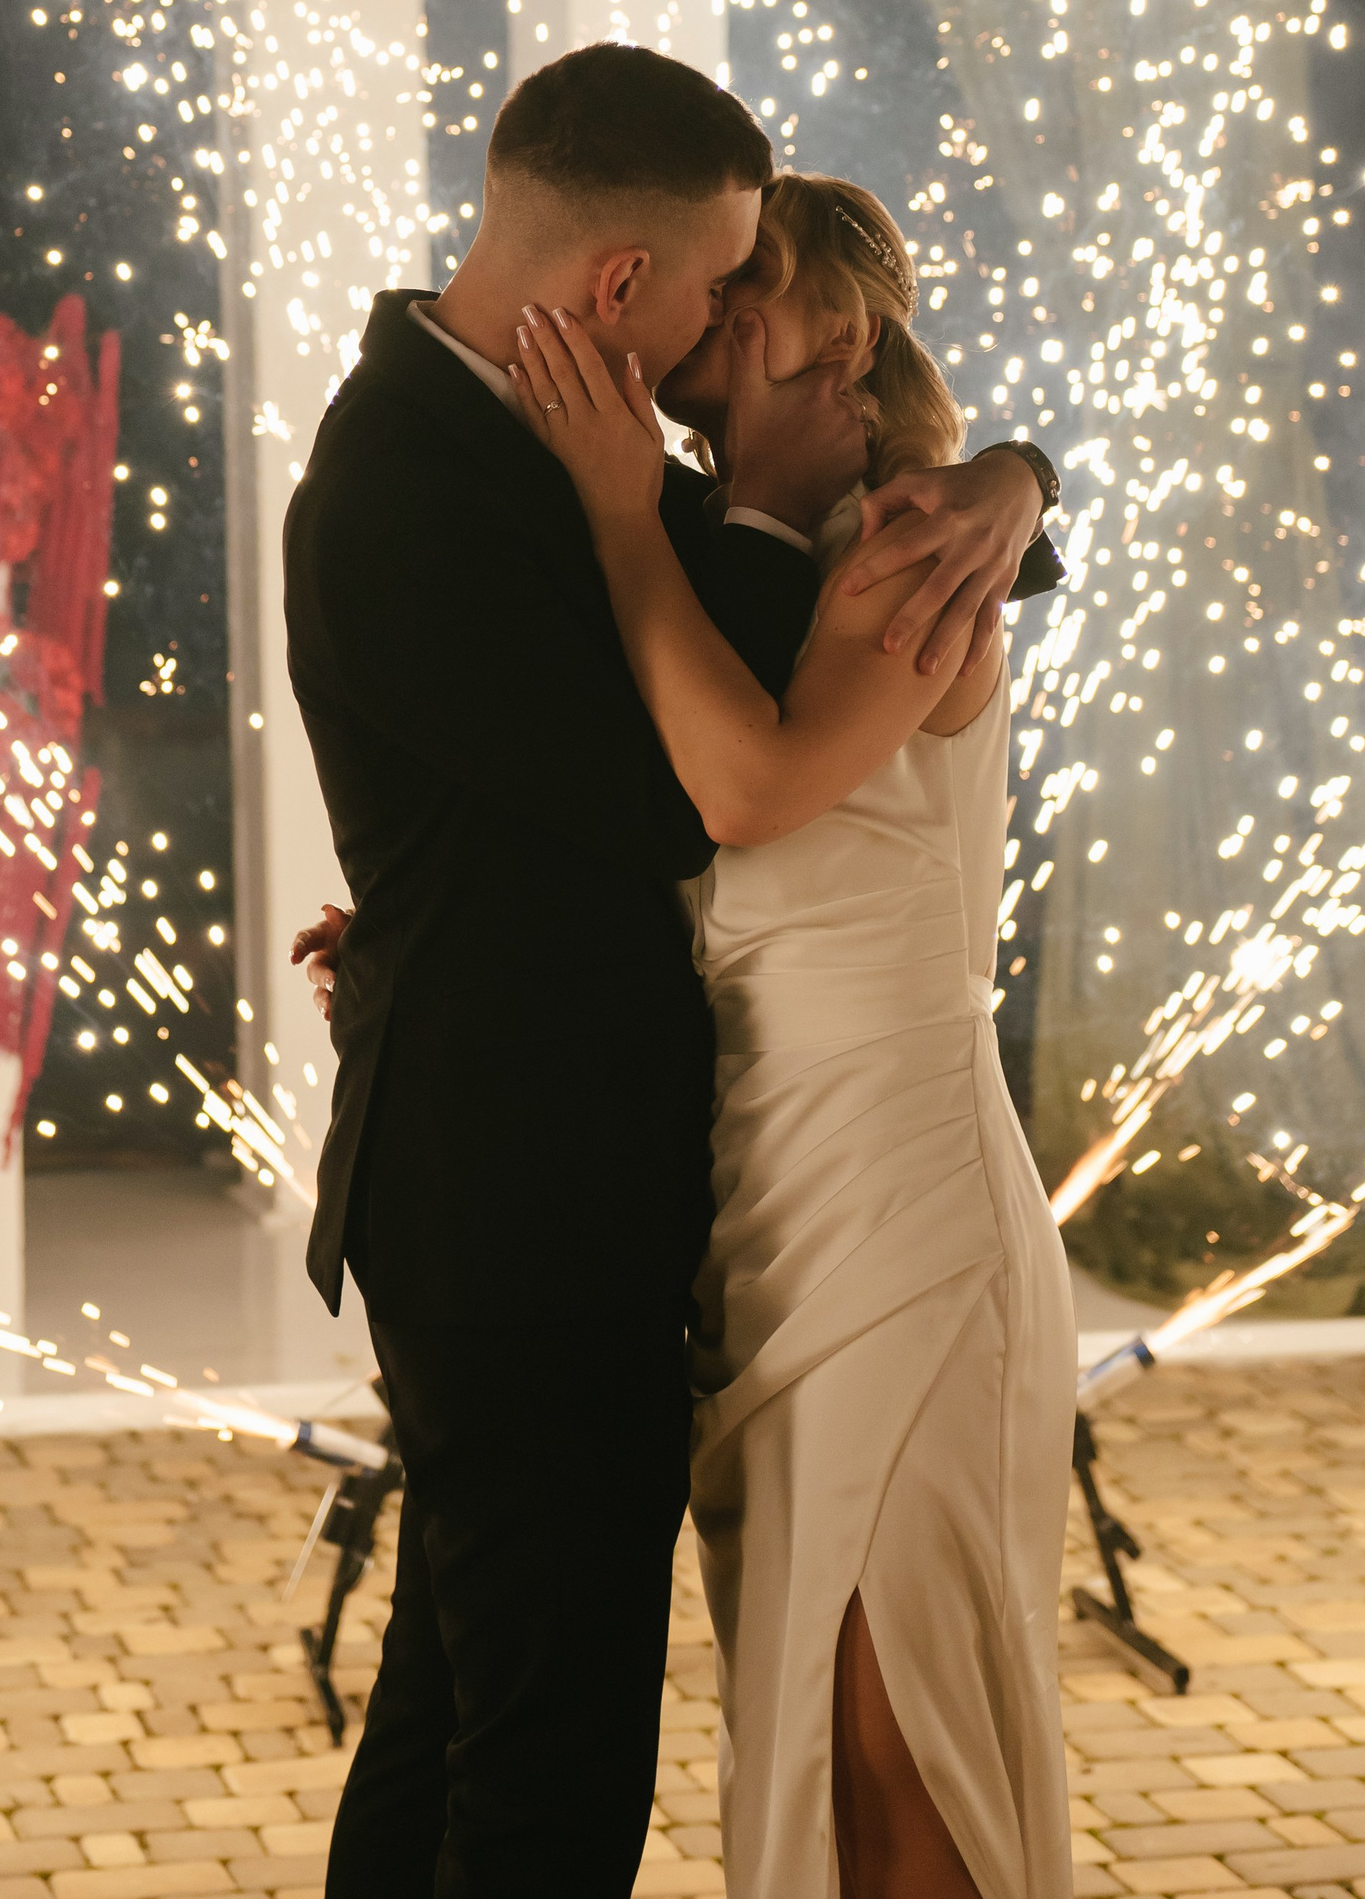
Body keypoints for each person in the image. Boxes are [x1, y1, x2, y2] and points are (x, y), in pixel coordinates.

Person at [283, 46, 1055, 1898]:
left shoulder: (635, 486)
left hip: (807, 1188)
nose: (712, 325)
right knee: (543, 1758)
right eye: (710, 285)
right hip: (527, 1191)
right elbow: (670, 795)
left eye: (743, 296)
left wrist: (1019, 482)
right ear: (625, 279)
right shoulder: (419, 481)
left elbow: (728, 741)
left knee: (504, 1710)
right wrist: (428, 921)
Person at [508, 170, 1074, 1899]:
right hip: (767, 1205)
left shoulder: (914, 546)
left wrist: (623, 517)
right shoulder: (732, 558)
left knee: (902, 1732)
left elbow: (751, 791)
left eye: (759, 276)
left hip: (905, 1196)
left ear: (844, 324)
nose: (722, 300)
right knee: (815, 1736)